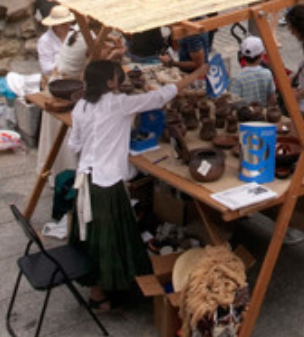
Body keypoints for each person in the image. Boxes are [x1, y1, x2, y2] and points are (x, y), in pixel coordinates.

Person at [71, 57, 206, 309]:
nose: (119, 78)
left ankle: (98, 292)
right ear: (110, 81)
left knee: (93, 240)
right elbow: (159, 97)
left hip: (86, 180)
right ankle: (106, 295)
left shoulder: (81, 106)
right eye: (116, 74)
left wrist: (96, 149)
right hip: (106, 184)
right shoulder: (117, 104)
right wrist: (196, 73)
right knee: (109, 242)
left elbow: (74, 144)